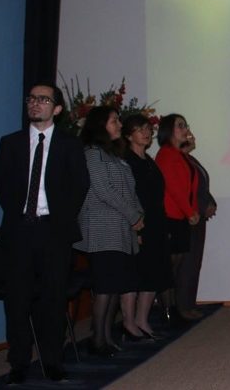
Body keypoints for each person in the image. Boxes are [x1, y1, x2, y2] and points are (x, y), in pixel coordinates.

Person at [0, 83, 90, 384]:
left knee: (53, 299)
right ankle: (18, 362)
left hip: (54, 231)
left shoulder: (70, 145)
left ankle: (52, 361)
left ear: (57, 109)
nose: (35, 103)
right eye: (32, 99)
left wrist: (59, 219)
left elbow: (80, 185)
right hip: (19, 230)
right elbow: (1, 184)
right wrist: (21, 214)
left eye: (43, 100)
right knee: (17, 299)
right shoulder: (10, 143)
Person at [74, 106, 148, 355]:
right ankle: (97, 340)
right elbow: (103, 189)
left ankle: (107, 337)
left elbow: (131, 191)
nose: (119, 125)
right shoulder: (92, 153)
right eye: (114, 121)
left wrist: (138, 215)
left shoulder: (115, 156)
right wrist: (132, 215)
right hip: (102, 229)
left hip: (120, 230)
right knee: (105, 287)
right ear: (100, 125)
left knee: (115, 285)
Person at [122, 114, 173, 337]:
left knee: (154, 271)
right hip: (139, 223)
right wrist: (136, 226)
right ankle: (129, 322)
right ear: (128, 135)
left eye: (147, 129)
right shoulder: (126, 161)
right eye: (140, 129)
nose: (146, 133)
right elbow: (128, 197)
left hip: (156, 222)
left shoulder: (148, 160)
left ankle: (142, 320)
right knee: (138, 273)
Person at [155, 114, 201, 322]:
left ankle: (175, 309)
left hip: (180, 216)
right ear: (168, 130)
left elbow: (190, 186)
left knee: (177, 264)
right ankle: (168, 311)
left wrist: (192, 210)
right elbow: (174, 188)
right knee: (169, 266)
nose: (185, 129)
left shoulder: (178, 154)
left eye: (185, 125)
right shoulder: (166, 155)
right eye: (180, 126)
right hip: (171, 216)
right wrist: (189, 211)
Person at [178, 132, 217, 320]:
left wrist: (210, 203)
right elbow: (184, 191)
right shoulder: (179, 161)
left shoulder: (190, 159)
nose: (192, 137)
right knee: (187, 264)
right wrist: (200, 208)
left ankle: (190, 303)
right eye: (187, 134)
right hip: (188, 217)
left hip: (198, 216)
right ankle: (183, 306)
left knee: (194, 262)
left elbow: (202, 188)